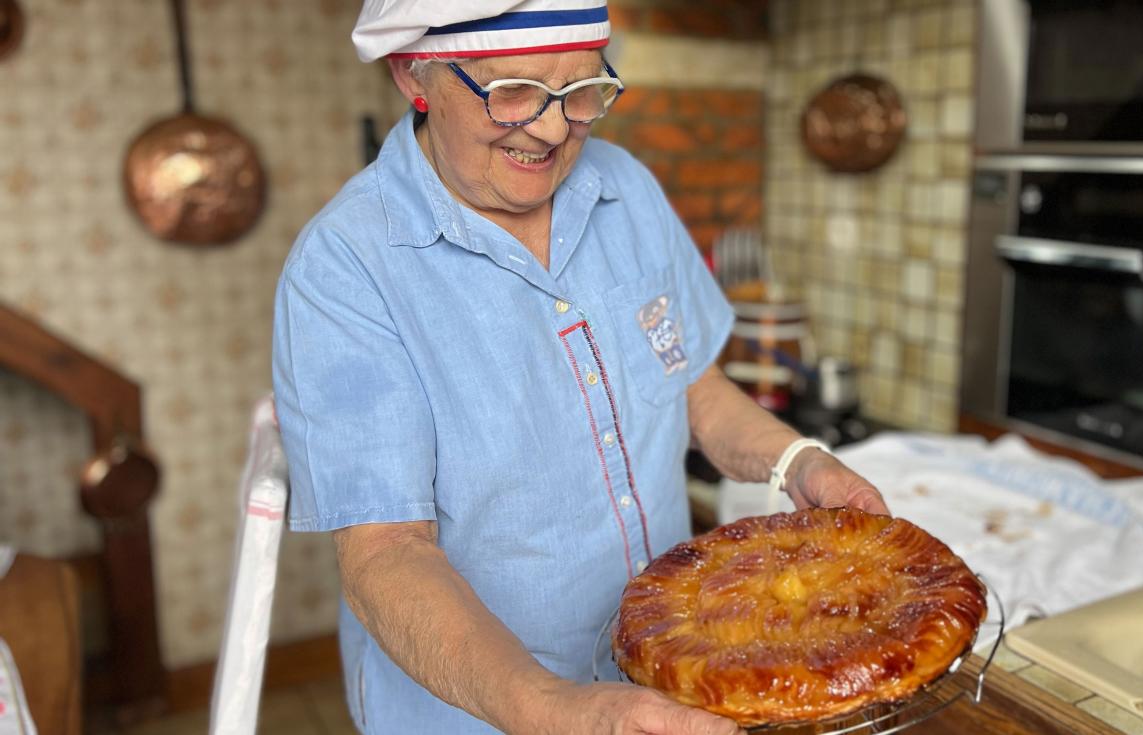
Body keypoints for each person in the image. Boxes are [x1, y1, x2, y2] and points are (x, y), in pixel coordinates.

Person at [271, 2, 889, 732]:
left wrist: (798, 461)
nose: (554, 127)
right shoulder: (346, 267)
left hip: (666, 676)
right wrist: (556, 709)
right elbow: (386, 555)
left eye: (583, 91)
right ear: (415, 73)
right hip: (481, 713)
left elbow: (691, 385)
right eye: (514, 92)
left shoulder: (625, 188)